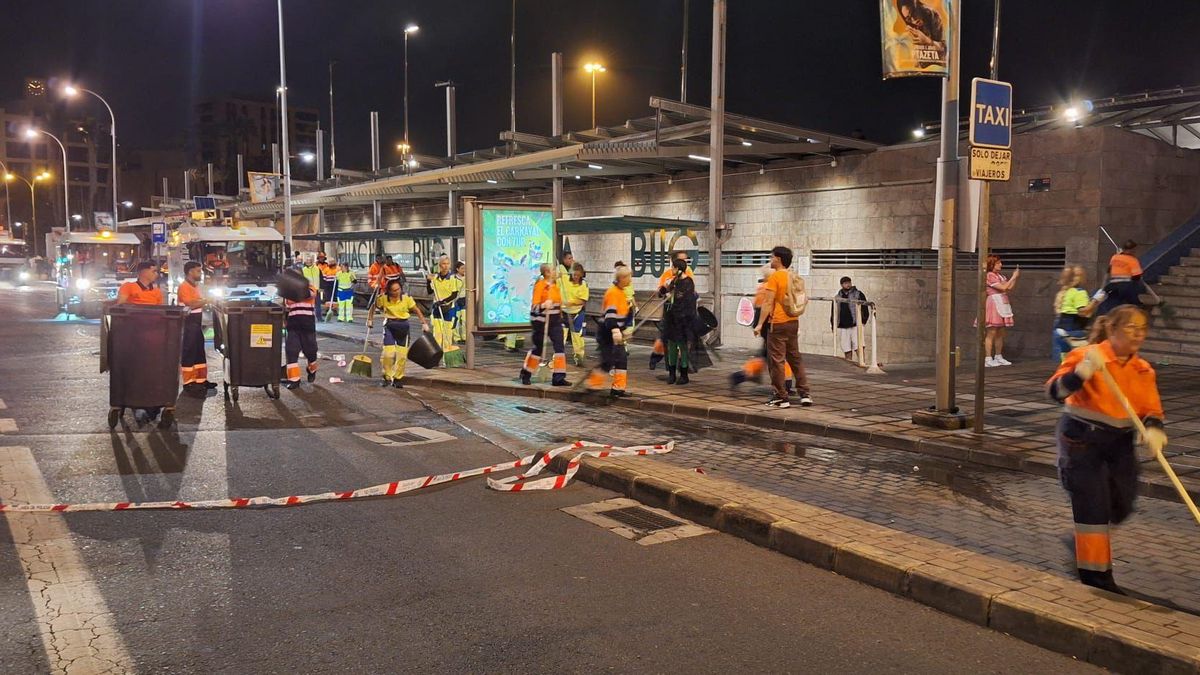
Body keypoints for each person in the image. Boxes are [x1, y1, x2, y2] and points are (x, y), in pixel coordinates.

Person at [1046, 305, 1165, 594]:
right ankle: (1096, 577)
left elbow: (1150, 408)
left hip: (1119, 443)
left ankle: (1082, 546)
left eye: (1142, 328)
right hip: (1082, 441)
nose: (1138, 334)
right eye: (1131, 327)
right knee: (1093, 509)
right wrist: (1082, 372)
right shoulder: (1086, 356)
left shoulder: (1142, 369)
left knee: (1122, 503)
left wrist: (1153, 429)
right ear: (1112, 329)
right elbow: (1055, 392)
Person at [753, 246, 812, 408]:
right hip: (793, 321)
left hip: (778, 323)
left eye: (772, 257)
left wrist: (759, 324)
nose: (770, 260)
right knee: (795, 358)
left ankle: (781, 397)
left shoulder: (775, 277)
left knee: (777, 361)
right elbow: (804, 298)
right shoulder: (793, 276)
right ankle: (805, 394)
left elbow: (767, 302)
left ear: (778, 259)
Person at [731, 266, 795, 394]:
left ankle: (741, 376)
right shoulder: (769, 288)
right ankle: (785, 384)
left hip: (768, 327)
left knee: (768, 355)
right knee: (778, 356)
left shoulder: (763, 287)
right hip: (771, 327)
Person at [367, 278, 428, 388]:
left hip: (403, 327)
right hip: (389, 326)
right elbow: (373, 306)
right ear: (389, 291)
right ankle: (386, 376)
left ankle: (397, 378)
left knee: (402, 355)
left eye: (398, 289)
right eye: (394, 290)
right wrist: (370, 319)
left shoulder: (406, 299)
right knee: (388, 354)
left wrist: (424, 323)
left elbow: (417, 310)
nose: (397, 292)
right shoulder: (383, 299)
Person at [587, 266, 633, 397]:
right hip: (607, 334)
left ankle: (618, 388)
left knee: (622, 359)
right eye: (629, 277)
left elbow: (622, 315)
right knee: (608, 361)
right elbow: (610, 315)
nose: (630, 279)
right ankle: (593, 384)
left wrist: (625, 328)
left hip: (617, 333)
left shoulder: (622, 292)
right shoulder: (613, 293)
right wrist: (615, 330)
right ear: (622, 278)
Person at [519, 263, 569, 386]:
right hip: (540, 323)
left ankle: (559, 377)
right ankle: (526, 373)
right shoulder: (540, 286)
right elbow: (534, 307)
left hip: (555, 322)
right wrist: (543, 305)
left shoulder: (555, 287)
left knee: (559, 348)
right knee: (538, 349)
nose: (556, 272)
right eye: (553, 270)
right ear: (547, 273)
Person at [649, 251, 693, 370]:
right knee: (665, 337)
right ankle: (656, 358)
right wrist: (665, 290)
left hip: (682, 312)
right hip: (670, 310)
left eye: (686, 259)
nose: (685, 262)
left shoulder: (688, 274)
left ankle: (682, 365)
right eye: (682, 260)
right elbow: (661, 291)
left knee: (683, 340)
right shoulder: (668, 275)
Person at [177, 261, 215, 394]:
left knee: (199, 351)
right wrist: (207, 300)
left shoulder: (195, 286)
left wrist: (204, 300)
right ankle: (189, 382)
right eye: (198, 271)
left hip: (196, 321)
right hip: (189, 321)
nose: (201, 273)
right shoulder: (184, 287)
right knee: (189, 351)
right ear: (190, 272)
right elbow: (191, 304)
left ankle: (201, 380)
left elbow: (197, 302)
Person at [661, 267, 700, 385]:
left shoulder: (688, 282)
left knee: (682, 346)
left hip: (683, 319)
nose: (671, 270)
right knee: (671, 345)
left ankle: (684, 374)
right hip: (672, 318)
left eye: (673, 267)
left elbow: (685, 298)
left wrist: (673, 293)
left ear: (678, 269)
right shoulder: (675, 280)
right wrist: (665, 288)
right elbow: (663, 292)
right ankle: (672, 374)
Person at [1053, 265, 1095, 362]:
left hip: (1060, 329)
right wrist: (1096, 301)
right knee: (1084, 360)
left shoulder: (1065, 292)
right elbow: (1083, 312)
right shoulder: (1079, 292)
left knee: (1065, 360)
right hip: (1075, 331)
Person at [1094, 240, 1148, 317]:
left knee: (1111, 304)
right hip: (1126, 287)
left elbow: (1109, 271)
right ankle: (1139, 308)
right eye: (1135, 250)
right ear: (1132, 249)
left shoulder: (1114, 257)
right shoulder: (1133, 260)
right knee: (1135, 301)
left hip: (1112, 286)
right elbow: (1137, 277)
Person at [984, 255, 1020, 367]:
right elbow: (1003, 288)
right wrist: (1013, 277)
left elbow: (1008, 288)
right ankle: (988, 358)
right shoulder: (989, 275)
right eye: (998, 263)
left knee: (1001, 332)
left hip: (1003, 302)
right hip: (994, 302)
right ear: (992, 264)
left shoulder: (1000, 276)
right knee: (992, 332)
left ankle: (998, 356)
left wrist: (1015, 277)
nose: (1001, 265)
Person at [283, 282, 320, 390]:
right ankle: (294, 380)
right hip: (293, 324)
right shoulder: (289, 291)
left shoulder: (310, 288)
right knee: (291, 351)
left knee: (310, 351)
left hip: (307, 325)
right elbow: (287, 304)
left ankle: (312, 369)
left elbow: (308, 294)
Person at [428, 256, 464, 353]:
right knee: (437, 334)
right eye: (444, 264)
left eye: (448, 264)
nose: (446, 266)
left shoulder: (452, 278)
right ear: (440, 265)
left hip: (448, 309)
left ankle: (447, 354)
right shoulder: (435, 278)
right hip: (437, 309)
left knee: (447, 334)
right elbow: (430, 291)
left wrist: (443, 302)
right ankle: (436, 354)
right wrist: (428, 280)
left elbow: (454, 294)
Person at [831, 276, 870, 361]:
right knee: (846, 348)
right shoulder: (838, 296)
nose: (848, 284)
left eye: (849, 282)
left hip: (856, 324)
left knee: (859, 346)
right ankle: (849, 365)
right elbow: (833, 311)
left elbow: (865, 307)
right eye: (845, 283)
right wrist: (833, 325)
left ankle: (862, 363)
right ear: (842, 285)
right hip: (843, 325)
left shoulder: (858, 294)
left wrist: (863, 321)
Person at [561, 262, 590, 366]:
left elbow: (583, 300)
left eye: (578, 275)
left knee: (577, 335)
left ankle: (579, 356)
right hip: (563, 312)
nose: (576, 277)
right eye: (574, 275)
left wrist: (571, 302)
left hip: (577, 313)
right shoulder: (563, 280)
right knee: (561, 335)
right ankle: (558, 356)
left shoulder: (583, 284)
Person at [318, 254, 338, 322]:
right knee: (328, 297)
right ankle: (327, 309)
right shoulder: (326, 269)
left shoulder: (338, 269)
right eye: (330, 262)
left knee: (335, 298)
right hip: (328, 285)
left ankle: (334, 309)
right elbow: (324, 278)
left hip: (335, 284)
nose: (331, 263)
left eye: (332, 262)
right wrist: (323, 286)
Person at [453, 260, 468, 342]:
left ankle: (465, 337)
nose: (464, 270)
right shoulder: (453, 278)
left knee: (465, 320)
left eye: (465, 268)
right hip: (456, 301)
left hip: (464, 300)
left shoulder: (467, 278)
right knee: (457, 320)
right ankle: (457, 337)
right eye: (462, 268)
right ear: (457, 269)